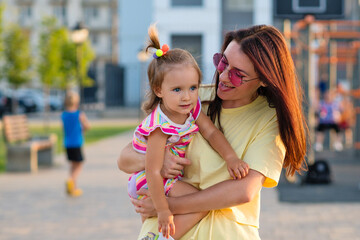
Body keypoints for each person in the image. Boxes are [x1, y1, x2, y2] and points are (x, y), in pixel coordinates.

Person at [118, 25, 308, 240]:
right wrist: (157, 160)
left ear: (264, 79)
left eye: (238, 74)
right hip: (164, 230)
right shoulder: (190, 99)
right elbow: (125, 159)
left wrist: (166, 205)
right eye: (222, 62)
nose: (224, 76)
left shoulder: (269, 119)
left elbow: (244, 191)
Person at [128, 25, 249, 240]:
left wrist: (231, 158)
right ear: (159, 91)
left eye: (193, 88)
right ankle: (163, 237)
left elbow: (211, 133)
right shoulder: (159, 126)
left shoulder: (191, 109)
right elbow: (153, 171)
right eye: (177, 90)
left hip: (163, 178)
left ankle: (154, 233)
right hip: (149, 180)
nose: (187, 97)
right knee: (203, 202)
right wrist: (163, 209)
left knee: (200, 202)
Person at [61, 91, 90, 197]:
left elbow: (63, 128)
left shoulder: (64, 115)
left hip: (67, 143)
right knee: (79, 165)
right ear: (76, 102)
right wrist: (83, 129)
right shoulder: (79, 114)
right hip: (77, 142)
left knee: (72, 165)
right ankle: (71, 180)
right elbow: (87, 126)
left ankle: (73, 188)